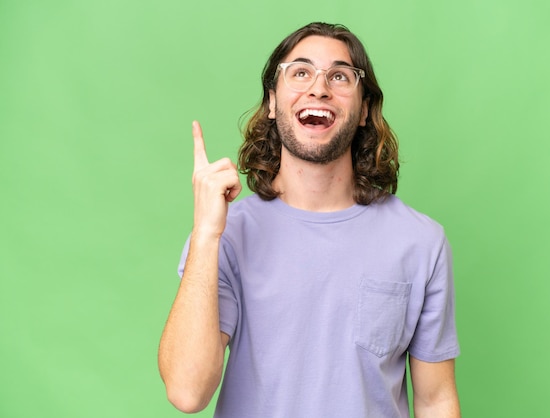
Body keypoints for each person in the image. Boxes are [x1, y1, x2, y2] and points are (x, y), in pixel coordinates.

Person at [158, 22, 460, 417]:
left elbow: (435, 399)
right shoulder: (226, 235)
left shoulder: (420, 242)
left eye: (339, 76)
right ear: (272, 101)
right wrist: (204, 235)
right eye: (300, 72)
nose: (319, 88)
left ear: (365, 109)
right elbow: (186, 391)